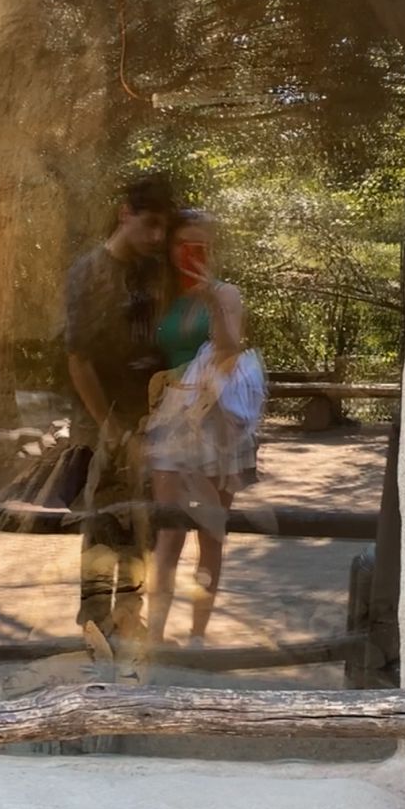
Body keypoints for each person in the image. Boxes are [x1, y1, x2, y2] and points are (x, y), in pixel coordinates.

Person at [145, 209, 264, 646]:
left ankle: (197, 636)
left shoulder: (227, 293)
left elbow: (229, 351)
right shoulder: (161, 297)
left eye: (202, 246)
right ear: (171, 247)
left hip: (217, 428)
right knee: (169, 531)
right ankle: (155, 637)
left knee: (211, 535)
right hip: (171, 423)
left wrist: (212, 294)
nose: (191, 254)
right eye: (184, 244)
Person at [65, 173, 175, 637]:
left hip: (150, 423)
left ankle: (129, 618)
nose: (155, 237)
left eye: (162, 229)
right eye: (148, 223)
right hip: (101, 425)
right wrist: (109, 430)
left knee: (141, 527)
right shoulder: (88, 272)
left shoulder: (155, 270)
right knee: (102, 526)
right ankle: (94, 623)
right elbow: (79, 360)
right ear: (124, 214)